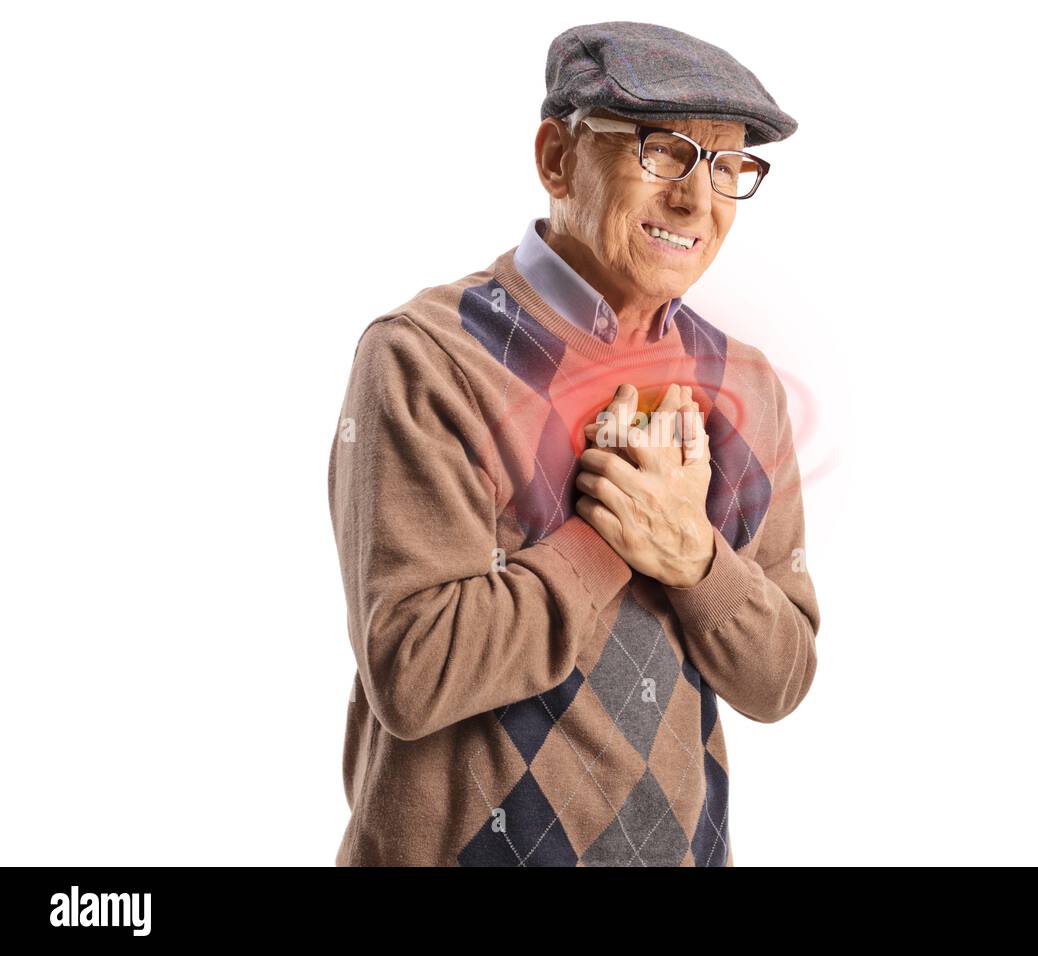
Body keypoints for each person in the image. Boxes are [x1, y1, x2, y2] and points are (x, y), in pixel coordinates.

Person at [328, 20, 819, 866]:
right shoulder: (427, 358)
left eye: (728, 167)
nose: (698, 203)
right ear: (557, 158)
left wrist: (695, 556)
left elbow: (782, 676)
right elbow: (413, 669)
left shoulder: (745, 384)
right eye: (663, 152)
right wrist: (609, 537)